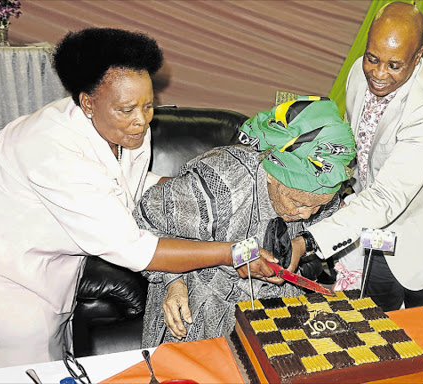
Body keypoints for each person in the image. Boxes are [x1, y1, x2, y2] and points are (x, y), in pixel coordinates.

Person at [0, 28, 277, 370]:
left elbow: (124, 183)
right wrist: (237, 252)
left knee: (7, 360)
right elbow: (135, 249)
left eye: (148, 105)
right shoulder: (52, 149)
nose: (141, 121)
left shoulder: (126, 131)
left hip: (25, 250)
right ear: (88, 102)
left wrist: (195, 189)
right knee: (24, 366)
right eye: (126, 109)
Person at [135, 97, 356, 347]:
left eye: (318, 205)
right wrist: (172, 283)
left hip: (271, 314)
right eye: (299, 203)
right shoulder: (221, 184)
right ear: (272, 175)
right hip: (199, 312)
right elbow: (144, 221)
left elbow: (335, 217)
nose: (306, 214)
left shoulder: (321, 179)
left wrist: (304, 242)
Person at [290, 2, 423, 311]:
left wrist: (308, 241)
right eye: (373, 58)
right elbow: (355, 145)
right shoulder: (359, 71)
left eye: (394, 65)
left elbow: (385, 196)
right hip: (374, 233)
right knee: (375, 322)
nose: (379, 73)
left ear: (417, 55)